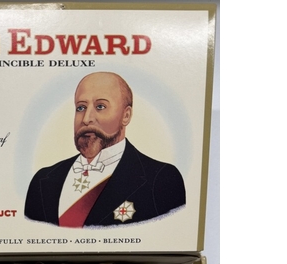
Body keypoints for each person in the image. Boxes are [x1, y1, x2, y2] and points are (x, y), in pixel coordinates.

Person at [24, 72, 186, 227]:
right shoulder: (43, 180)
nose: (86, 119)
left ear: (126, 116)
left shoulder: (161, 180)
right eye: (81, 108)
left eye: (100, 106)